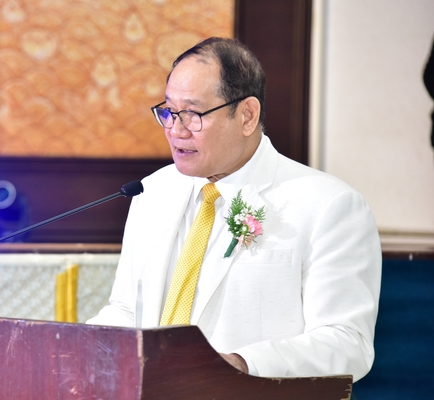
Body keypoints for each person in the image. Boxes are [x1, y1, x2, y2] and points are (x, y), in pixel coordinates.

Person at [87, 37, 381, 382]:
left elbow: (347, 344)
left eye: (193, 114)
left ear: (247, 115)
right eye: (169, 112)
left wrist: (239, 366)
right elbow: (127, 310)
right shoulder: (152, 191)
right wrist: (81, 348)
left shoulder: (328, 206)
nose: (175, 130)